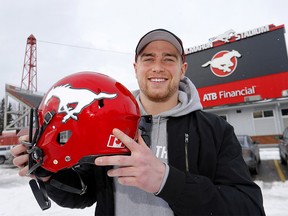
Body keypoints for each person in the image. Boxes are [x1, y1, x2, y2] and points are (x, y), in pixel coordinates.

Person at [11, 28, 266, 215]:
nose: (158, 67)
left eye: (168, 58)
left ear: (183, 68)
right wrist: (49, 175)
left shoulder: (214, 130)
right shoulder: (109, 121)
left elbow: (248, 207)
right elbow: (84, 194)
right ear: (136, 67)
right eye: (148, 58)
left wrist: (166, 181)